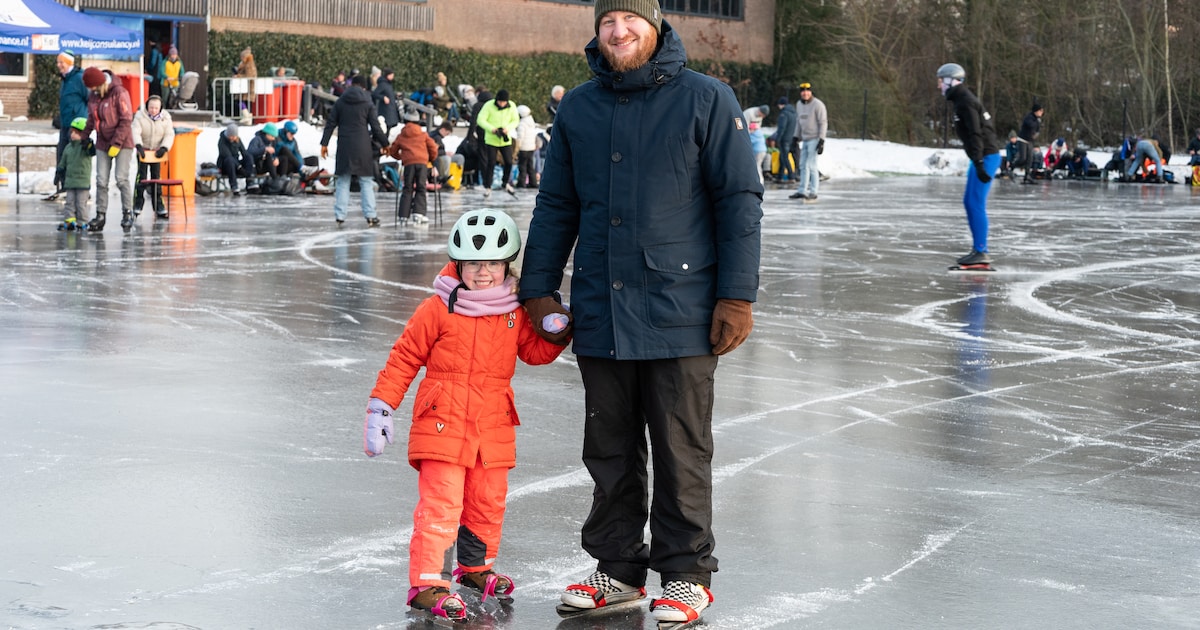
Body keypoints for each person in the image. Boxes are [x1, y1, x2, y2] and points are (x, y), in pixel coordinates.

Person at [517, 1, 762, 624]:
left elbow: (738, 200)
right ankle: (618, 568)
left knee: (681, 446)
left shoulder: (706, 99)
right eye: (608, 22)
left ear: (655, 26)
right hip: (601, 304)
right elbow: (556, 204)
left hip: (682, 307)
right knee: (608, 447)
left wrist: (737, 295)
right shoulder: (578, 107)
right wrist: (538, 288)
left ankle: (685, 575)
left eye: (630, 19)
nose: (618, 31)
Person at [364, 208, 569, 623]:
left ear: (507, 265)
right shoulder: (437, 308)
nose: (483, 273)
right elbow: (404, 357)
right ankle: (429, 583)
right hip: (443, 421)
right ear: (458, 264)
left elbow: (534, 353)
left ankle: (476, 569)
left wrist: (557, 330)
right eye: (473, 264)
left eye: (492, 263)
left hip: (492, 424)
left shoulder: (514, 311)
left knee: (487, 502)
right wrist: (381, 406)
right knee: (441, 504)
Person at [938, 62, 1000, 268]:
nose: (939, 86)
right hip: (980, 157)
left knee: (975, 203)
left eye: (941, 81)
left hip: (986, 156)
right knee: (970, 202)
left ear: (951, 80)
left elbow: (976, 133)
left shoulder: (966, 101)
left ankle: (981, 251)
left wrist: (980, 162)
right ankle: (978, 250)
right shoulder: (961, 100)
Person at [321, 74, 388, 227]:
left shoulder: (341, 101)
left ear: (352, 84)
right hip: (362, 146)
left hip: (345, 145)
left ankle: (340, 216)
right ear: (364, 87)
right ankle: (371, 215)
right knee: (366, 182)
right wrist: (385, 144)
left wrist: (324, 143)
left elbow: (330, 123)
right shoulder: (367, 103)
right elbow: (376, 127)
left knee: (343, 181)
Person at [82, 67, 135, 232]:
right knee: (101, 180)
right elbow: (91, 118)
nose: (92, 91)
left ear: (100, 83)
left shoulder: (119, 92)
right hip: (103, 142)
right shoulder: (94, 96)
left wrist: (117, 143)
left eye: (93, 87)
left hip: (122, 142)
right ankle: (100, 215)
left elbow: (126, 119)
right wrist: (84, 136)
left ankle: (127, 213)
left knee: (121, 178)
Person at [386, 110, 439, 224]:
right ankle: (419, 213)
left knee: (407, 188)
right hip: (422, 163)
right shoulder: (423, 134)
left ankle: (403, 215)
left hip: (409, 164)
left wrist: (402, 157)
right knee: (421, 187)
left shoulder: (401, 135)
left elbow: (393, 150)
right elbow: (433, 148)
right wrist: (430, 158)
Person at [132, 95, 175, 219]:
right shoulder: (140, 116)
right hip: (144, 151)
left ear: (160, 108)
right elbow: (135, 131)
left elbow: (169, 134)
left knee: (156, 178)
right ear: (147, 107)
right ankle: (137, 204)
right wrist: (138, 145)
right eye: (151, 107)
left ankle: (159, 206)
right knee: (141, 177)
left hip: (157, 152)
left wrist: (164, 148)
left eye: (156, 108)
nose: (153, 110)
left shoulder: (166, 118)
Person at [54, 51, 89, 199]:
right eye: (58, 62)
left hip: (77, 124)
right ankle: (65, 186)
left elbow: (89, 98)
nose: (58, 65)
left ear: (69, 63)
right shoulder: (65, 79)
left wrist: (85, 120)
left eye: (61, 62)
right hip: (65, 123)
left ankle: (80, 190)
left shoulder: (79, 78)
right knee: (63, 154)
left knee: (76, 156)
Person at [475, 89, 519, 198]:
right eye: (500, 102)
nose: (502, 104)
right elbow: (481, 120)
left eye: (504, 102)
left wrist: (507, 128)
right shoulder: (488, 105)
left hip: (505, 139)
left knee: (509, 161)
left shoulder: (512, 106)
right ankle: (488, 186)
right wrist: (492, 129)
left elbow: (515, 120)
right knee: (491, 163)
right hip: (491, 139)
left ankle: (505, 182)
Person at [54, 117, 96, 231]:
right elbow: (63, 161)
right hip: (70, 182)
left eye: (76, 133)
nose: (73, 135)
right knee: (69, 202)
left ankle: (82, 221)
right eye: (72, 132)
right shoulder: (68, 147)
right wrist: (59, 171)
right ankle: (69, 220)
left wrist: (89, 143)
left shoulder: (85, 147)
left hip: (82, 182)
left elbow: (92, 152)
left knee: (81, 203)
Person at [789, 81, 827, 201]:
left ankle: (814, 191)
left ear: (811, 92)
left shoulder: (818, 105)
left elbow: (823, 123)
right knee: (802, 165)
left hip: (815, 138)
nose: (805, 93)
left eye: (807, 91)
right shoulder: (799, 104)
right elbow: (799, 122)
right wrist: (795, 137)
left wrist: (821, 140)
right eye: (803, 91)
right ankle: (802, 190)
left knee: (811, 165)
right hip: (805, 139)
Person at [217, 122, 255, 195]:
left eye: (234, 136)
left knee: (249, 157)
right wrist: (239, 167)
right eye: (231, 136)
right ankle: (234, 185)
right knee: (230, 160)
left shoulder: (237, 140)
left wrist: (249, 163)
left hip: (236, 163)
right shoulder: (222, 142)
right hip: (226, 165)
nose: (233, 138)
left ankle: (250, 180)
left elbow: (244, 152)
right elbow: (227, 155)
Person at [770, 96, 797, 182]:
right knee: (782, 157)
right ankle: (780, 176)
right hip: (790, 138)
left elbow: (782, 127)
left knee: (785, 158)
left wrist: (778, 138)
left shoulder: (784, 114)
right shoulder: (793, 113)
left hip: (784, 138)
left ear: (781, 104)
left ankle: (791, 176)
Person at [514, 104, 538, 188]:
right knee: (530, 166)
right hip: (531, 147)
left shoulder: (522, 124)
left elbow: (520, 137)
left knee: (522, 166)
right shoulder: (531, 122)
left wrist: (517, 148)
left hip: (523, 148)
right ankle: (533, 182)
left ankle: (521, 182)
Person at [1017, 103, 1043, 183]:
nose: (1042, 113)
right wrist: (1037, 122)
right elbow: (1031, 125)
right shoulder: (1029, 117)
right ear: (1036, 111)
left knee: (1029, 159)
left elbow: (1037, 129)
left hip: (1030, 141)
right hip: (1023, 140)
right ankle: (1011, 167)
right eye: (1040, 111)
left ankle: (1027, 175)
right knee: (1023, 158)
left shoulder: (1036, 119)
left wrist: (1036, 133)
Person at [234, 47, 257, 122]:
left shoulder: (249, 64)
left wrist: (238, 76)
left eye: (242, 57)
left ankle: (247, 116)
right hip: (244, 85)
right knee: (242, 101)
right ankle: (247, 118)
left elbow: (249, 75)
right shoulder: (245, 63)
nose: (241, 58)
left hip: (247, 86)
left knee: (241, 101)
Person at [374, 68, 400, 133]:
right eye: (391, 75)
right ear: (388, 75)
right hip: (386, 111)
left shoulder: (388, 84)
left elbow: (388, 93)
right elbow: (375, 93)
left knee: (389, 127)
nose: (393, 77)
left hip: (390, 109)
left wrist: (395, 95)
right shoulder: (383, 84)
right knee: (386, 127)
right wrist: (383, 98)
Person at [748, 120, 768, 184]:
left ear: (754, 129)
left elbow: (749, 142)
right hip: (763, 151)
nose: (750, 130)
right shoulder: (760, 134)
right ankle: (760, 179)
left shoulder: (754, 135)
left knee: (757, 165)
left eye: (750, 129)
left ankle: (760, 180)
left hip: (757, 151)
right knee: (759, 165)